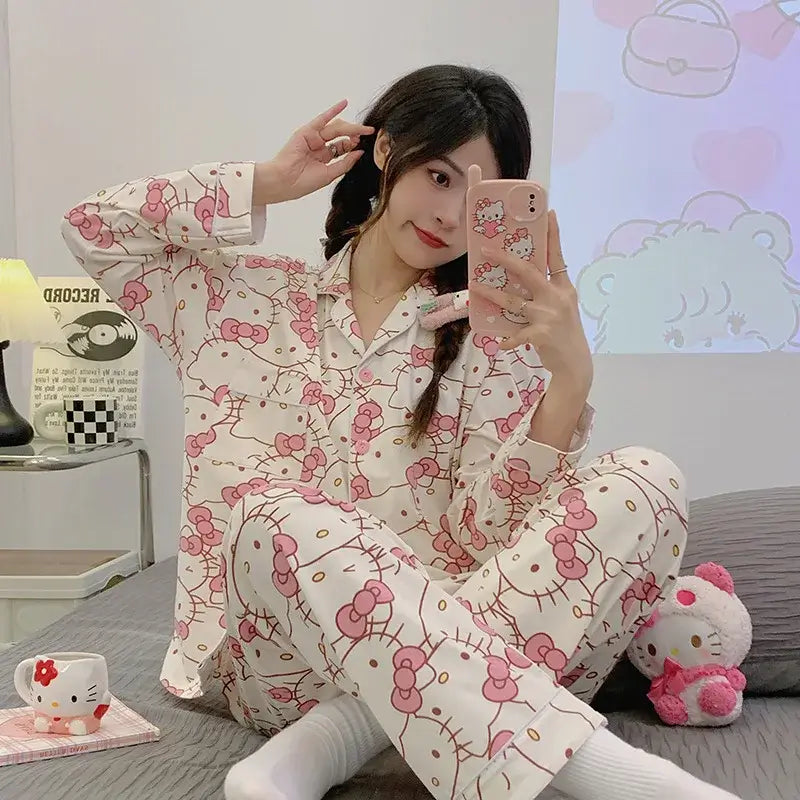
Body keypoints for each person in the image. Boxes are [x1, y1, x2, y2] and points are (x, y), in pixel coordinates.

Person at [61, 65, 741, 800]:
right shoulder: (240, 298)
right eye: (438, 177)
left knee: (650, 478)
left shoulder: (492, 338)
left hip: (465, 647)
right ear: (386, 150)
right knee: (273, 513)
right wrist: (269, 181)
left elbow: (486, 537)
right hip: (283, 666)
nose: (448, 216)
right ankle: (602, 773)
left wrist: (570, 379)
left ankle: (334, 741)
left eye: (474, 200)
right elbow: (93, 229)